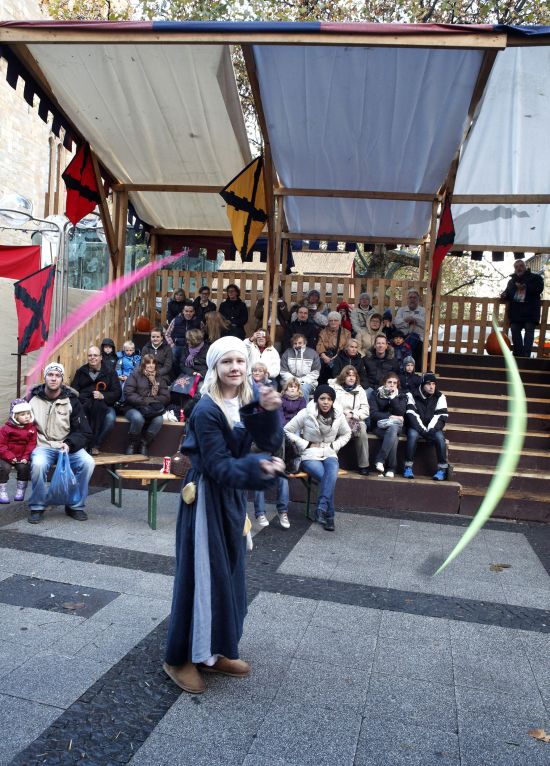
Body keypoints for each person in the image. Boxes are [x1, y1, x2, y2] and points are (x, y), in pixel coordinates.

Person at [163, 336, 284, 695]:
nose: (235, 367)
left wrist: (269, 412)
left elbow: (270, 442)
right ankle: (179, 658)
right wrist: (259, 469)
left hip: (230, 497)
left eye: (240, 361)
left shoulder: (244, 399)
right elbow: (217, 466)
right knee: (200, 577)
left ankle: (213, 652)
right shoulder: (206, 410)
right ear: (214, 367)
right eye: (226, 361)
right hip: (206, 498)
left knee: (228, 575)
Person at [27, 362, 94, 524]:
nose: (53, 378)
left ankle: (75, 505)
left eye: (57, 376)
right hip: (43, 445)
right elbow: (19, 423)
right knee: (38, 464)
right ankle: (37, 506)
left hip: (66, 446)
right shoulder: (32, 399)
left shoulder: (72, 400)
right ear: (45, 377)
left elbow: (84, 431)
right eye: (50, 375)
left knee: (88, 462)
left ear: (62, 379)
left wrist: (70, 443)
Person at [284, 385, 351, 531]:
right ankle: (329, 516)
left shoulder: (338, 414)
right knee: (327, 478)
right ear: (316, 400)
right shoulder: (306, 413)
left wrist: (334, 445)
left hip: (330, 453)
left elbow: (347, 433)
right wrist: (306, 444)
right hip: (310, 455)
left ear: (333, 401)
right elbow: (287, 430)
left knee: (329, 476)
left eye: (329, 399)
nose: (326, 402)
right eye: (322, 398)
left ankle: (321, 508)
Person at [70, 345, 122, 456]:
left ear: (101, 357)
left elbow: (117, 393)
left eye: (95, 355)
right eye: (90, 355)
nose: (92, 358)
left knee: (110, 418)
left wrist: (103, 396)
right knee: (79, 415)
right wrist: (84, 397)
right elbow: (74, 390)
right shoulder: (81, 371)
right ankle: (84, 443)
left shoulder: (110, 372)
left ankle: (95, 444)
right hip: (85, 403)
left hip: (105, 405)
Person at [404, 372, 449, 481]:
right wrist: (423, 430)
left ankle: (442, 469)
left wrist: (431, 430)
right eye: (428, 384)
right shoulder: (412, 395)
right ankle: (408, 467)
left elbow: (441, 416)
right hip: (416, 426)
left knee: (440, 438)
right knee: (412, 435)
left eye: (433, 384)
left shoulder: (440, 396)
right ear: (423, 385)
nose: (431, 387)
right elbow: (412, 415)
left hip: (433, 427)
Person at [123, 355, 170, 456]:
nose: (151, 365)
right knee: (138, 418)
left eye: (153, 363)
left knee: (159, 420)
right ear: (144, 364)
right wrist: (145, 401)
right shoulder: (135, 374)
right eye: (148, 363)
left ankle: (143, 443)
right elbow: (129, 393)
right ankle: (132, 444)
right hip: (133, 406)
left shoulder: (159, 377)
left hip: (151, 408)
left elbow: (166, 397)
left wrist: (151, 401)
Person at [500, 259, 544, 357]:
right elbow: (508, 293)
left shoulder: (535, 278)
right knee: (514, 330)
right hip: (516, 312)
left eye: (521, 266)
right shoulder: (512, 281)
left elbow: (539, 288)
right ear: (514, 269)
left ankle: (526, 357)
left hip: (530, 311)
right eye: (516, 267)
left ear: (525, 267)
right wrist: (504, 295)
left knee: (529, 333)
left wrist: (526, 287)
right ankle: (519, 356)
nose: (519, 268)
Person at [330, 366, 370, 475]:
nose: (351, 378)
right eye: (348, 375)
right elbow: (330, 405)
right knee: (334, 429)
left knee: (362, 432)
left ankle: (364, 465)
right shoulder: (334, 388)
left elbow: (366, 410)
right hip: (338, 418)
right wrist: (342, 414)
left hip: (356, 419)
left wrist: (353, 414)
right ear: (343, 376)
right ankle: (330, 461)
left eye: (353, 376)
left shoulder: (360, 390)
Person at [367, 371, 407, 478]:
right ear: (385, 383)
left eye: (395, 383)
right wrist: (390, 416)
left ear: (397, 384)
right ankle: (391, 468)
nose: (392, 385)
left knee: (393, 428)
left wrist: (393, 397)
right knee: (393, 437)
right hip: (378, 426)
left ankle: (380, 459)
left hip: (397, 426)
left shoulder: (402, 395)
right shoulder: (375, 394)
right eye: (389, 382)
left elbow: (401, 412)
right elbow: (373, 414)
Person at [0, 399, 37, 504]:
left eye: (28, 413)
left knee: (24, 468)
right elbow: (1, 445)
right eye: (23, 414)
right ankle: (2, 491)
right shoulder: (6, 429)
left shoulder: (32, 429)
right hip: (7, 456)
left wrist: (26, 457)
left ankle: (20, 490)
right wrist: (9, 456)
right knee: (4, 469)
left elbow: (31, 444)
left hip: (22, 456)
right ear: (15, 416)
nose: (27, 416)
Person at [165, 300, 202, 375]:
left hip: (192, 347)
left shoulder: (198, 322)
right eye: (186, 311)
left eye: (191, 311)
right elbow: (167, 334)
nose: (188, 313)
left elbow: (202, 336)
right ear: (183, 311)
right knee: (173, 356)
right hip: (178, 345)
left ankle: (188, 376)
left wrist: (196, 346)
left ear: (194, 312)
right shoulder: (176, 320)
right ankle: (175, 375)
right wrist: (172, 345)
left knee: (192, 361)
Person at [280, 333, 321, 400]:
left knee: (303, 389)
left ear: (305, 343)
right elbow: (283, 371)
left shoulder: (313, 353)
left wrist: (302, 381)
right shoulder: (287, 353)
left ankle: (303, 407)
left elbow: (315, 372)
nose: (297, 345)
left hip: (308, 382)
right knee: (288, 389)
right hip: (289, 381)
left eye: (300, 343)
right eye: (295, 343)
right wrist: (294, 381)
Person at [316, 311, 352, 384]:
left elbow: (347, 347)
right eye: (331, 320)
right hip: (326, 356)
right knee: (320, 364)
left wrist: (336, 356)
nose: (333, 322)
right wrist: (324, 357)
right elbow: (320, 345)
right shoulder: (323, 332)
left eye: (336, 320)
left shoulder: (346, 333)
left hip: (340, 356)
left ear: (339, 322)